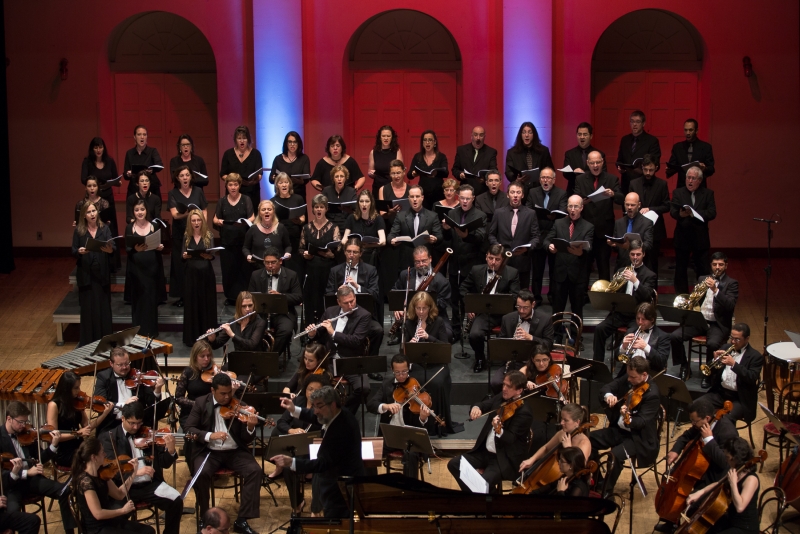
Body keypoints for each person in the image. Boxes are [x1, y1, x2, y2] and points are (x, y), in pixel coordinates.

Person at [271, 386, 366, 518]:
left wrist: (291, 462)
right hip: (338, 481)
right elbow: (316, 416)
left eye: (319, 406)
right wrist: (294, 409)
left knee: (337, 521)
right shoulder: (338, 413)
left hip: (342, 487)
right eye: (314, 406)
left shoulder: (341, 430)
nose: (315, 411)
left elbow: (323, 463)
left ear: (332, 404)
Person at [185, 373, 262, 534]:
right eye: (223, 393)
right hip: (209, 451)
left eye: (229, 392)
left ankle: (242, 520)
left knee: (254, 471)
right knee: (201, 474)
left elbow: (246, 439)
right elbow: (189, 428)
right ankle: (205, 517)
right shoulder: (200, 403)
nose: (227, 397)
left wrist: (250, 427)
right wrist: (209, 435)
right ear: (213, 390)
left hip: (234, 451)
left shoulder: (239, 405)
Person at [654, 399, 738, 533]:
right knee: (676, 487)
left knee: (691, 502)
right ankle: (671, 521)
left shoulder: (727, 432)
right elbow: (685, 436)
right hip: (697, 468)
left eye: (695, 421)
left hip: (714, 476)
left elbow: (725, 462)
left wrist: (709, 440)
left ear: (707, 418)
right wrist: (675, 450)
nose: (693, 424)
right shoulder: (702, 423)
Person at [99, 402, 183, 534]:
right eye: (132, 423)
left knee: (176, 501)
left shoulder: (148, 433)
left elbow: (164, 463)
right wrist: (136, 472)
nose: (136, 427)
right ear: (123, 418)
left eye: (139, 423)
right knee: (114, 518)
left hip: (150, 484)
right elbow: (111, 469)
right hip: (124, 487)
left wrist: (171, 451)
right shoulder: (109, 437)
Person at [447, 371, 533, 493]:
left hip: (503, 458)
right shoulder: (501, 397)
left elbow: (510, 438)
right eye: (504, 384)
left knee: (482, 483)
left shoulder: (524, 412)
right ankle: (476, 499)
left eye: (509, 387)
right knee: (454, 464)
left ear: (519, 391)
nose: (504, 389)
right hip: (484, 452)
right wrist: (476, 407)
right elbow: (484, 404)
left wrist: (499, 430)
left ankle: (486, 502)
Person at [590, 356, 660, 497]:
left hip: (639, 437)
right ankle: (597, 481)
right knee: (588, 440)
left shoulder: (653, 395)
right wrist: (608, 396)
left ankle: (606, 490)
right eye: (629, 375)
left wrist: (628, 418)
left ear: (644, 375)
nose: (629, 380)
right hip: (620, 430)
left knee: (616, 455)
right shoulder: (630, 376)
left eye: (633, 377)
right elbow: (608, 387)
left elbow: (641, 422)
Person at [2, 401, 75, 533]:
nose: (23, 426)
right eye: (20, 422)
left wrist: (53, 445)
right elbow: (1, 475)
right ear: (9, 419)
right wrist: (26, 473)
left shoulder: (26, 434)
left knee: (64, 491)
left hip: (32, 481)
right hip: (12, 487)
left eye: (25, 421)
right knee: (12, 517)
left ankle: (69, 531)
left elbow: (42, 457)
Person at [670, 252, 739, 383]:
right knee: (675, 336)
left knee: (712, 343)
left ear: (726, 266)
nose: (717, 267)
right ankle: (684, 365)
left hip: (717, 324)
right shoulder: (703, 279)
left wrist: (715, 290)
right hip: (699, 321)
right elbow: (694, 299)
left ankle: (709, 373)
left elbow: (730, 305)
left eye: (720, 264)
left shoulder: (732, 283)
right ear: (711, 265)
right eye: (714, 264)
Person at [303, 286, 374, 413]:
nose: (351, 305)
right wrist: (312, 333)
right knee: (314, 384)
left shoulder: (364, 315)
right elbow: (320, 333)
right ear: (339, 302)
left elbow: (356, 341)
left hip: (351, 360)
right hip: (329, 360)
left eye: (352, 301)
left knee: (364, 388)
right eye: (346, 303)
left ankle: (344, 411)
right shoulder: (330, 311)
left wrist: (333, 332)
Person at [174, 340, 239, 475]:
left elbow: (224, 397)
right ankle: (195, 469)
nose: (206, 359)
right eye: (202, 356)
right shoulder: (188, 373)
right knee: (191, 437)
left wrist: (232, 391)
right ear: (195, 357)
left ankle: (213, 463)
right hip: (191, 413)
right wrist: (198, 404)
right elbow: (178, 398)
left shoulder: (215, 373)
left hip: (212, 412)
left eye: (208, 356)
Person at [367, 353, 434, 477]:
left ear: (409, 368)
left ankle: (409, 488)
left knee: (411, 455)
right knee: (369, 452)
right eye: (397, 373)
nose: (401, 376)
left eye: (404, 371)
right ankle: (372, 485)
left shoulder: (416, 386)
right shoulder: (387, 385)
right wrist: (385, 406)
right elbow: (371, 404)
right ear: (392, 370)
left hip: (409, 438)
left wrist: (423, 418)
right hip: (390, 435)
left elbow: (424, 425)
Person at [71, 437, 154, 534]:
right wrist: (122, 511)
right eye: (102, 452)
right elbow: (98, 514)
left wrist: (134, 473)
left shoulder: (101, 473)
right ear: (94, 457)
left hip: (109, 521)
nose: (105, 455)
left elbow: (119, 494)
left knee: (149, 531)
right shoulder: (86, 481)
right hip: (96, 529)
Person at [591, 241, 656, 363]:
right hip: (619, 313)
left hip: (636, 317)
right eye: (632, 254)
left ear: (644, 254)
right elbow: (613, 291)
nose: (635, 257)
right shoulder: (621, 270)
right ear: (629, 254)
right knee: (600, 329)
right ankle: (597, 363)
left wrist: (635, 281)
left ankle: (626, 366)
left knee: (629, 336)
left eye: (638, 254)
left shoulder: (649, 274)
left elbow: (647, 296)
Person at [271, 374, 327, 515]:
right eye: (309, 389)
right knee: (287, 467)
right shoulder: (298, 401)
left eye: (316, 390)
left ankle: (316, 508)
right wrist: (291, 430)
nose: (312, 393)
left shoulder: (325, 407)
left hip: (317, 449)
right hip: (298, 447)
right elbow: (281, 422)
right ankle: (297, 503)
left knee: (321, 469)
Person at [461, 245, 521, 372]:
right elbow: (463, 289)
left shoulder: (512, 273)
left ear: (503, 259)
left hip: (505, 313)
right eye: (490, 258)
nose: (493, 262)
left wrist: (497, 299)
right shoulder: (476, 270)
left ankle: (510, 362)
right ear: (486, 257)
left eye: (497, 259)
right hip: (484, 314)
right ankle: (480, 358)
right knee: (474, 334)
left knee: (512, 334)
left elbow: (515, 297)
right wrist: (470, 306)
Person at [683, 438, 760, 534]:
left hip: (744, 528)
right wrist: (700, 493)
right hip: (729, 520)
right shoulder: (736, 470)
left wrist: (733, 484)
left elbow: (740, 507)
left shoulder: (751, 479)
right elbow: (719, 483)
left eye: (727, 457)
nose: (726, 460)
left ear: (735, 458)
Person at [696, 324, 763, 425]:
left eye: (737, 339)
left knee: (725, 420)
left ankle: (726, 439)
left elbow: (751, 377)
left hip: (739, 399)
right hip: (720, 393)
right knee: (695, 406)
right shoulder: (726, 347)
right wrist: (714, 360)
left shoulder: (755, 356)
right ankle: (703, 437)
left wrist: (734, 364)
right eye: (732, 338)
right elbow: (710, 372)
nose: (732, 342)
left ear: (747, 339)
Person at [442, 184, 487, 334]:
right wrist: (446, 230)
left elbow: (481, 237)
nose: (465, 201)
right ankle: (456, 329)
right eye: (462, 198)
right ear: (458, 197)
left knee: (470, 298)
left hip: (472, 263)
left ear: (473, 198)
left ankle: (472, 327)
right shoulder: (452, 214)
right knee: (454, 300)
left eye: (468, 198)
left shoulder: (480, 215)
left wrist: (466, 236)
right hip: (455, 262)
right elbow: (447, 239)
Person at [47, 371, 114, 469]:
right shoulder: (54, 405)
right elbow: (54, 436)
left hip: (80, 447)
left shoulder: (77, 402)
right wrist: (78, 433)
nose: (79, 391)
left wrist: (105, 414)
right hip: (64, 451)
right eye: (76, 388)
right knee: (94, 462)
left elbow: (88, 427)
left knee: (102, 455)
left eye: (79, 387)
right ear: (66, 388)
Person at [544, 195, 594, 326]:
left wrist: (582, 251)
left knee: (577, 309)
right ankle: (556, 336)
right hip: (560, 273)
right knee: (557, 308)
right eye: (570, 206)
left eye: (576, 207)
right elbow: (546, 240)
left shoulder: (588, 226)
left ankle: (576, 337)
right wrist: (550, 246)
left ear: (581, 208)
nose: (572, 210)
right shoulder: (559, 223)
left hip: (577, 275)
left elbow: (589, 246)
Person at [575, 151, 623, 282]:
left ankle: (605, 296)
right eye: (592, 163)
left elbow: (621, 199)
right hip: (586, 230)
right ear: (588, 164)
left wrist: (613, 194)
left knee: (604, 265)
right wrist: (581, 202)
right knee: (584, 266)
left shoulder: (612, 179)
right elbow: (575, 198)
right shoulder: (580, 179)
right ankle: (582, 296)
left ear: (602, 162)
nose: (595, 165)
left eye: (598, 162)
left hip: (604, 230)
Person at [389, 246, 452, 346]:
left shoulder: (442, 281)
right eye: (417, 262)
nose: (421, 265)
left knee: (447, 334)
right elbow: (395, 291)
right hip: (411, 317)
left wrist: (425, 304)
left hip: (434, 317)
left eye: (424, 261)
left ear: (430, 259)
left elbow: (443, 303)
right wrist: (398, 308)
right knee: (405, 334)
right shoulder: (406, 274)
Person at [93, 347, 166, 434]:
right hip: (113, 423)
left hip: (137, 425)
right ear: (111, 363)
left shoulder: (137, 376)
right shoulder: (103, 377)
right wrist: (124, 405)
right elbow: (99, 402)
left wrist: (157, 389)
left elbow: (152, 402)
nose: (124, 367)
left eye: (127, 363)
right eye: (120, 365)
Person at [491, 293, 555, 391]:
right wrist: (512, 343)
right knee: (496, 382)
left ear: (533, 304)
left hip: (534, 364)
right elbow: (501, 344)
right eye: (518, 307)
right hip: (513, 362)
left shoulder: (545, 319)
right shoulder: (507, 318)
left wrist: (530, 337)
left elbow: (549, 344)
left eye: (525, 308)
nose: (521, 311)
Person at [72, 202, 115, 346]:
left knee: (103, 308)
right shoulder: (79, 231)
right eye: (89, 212)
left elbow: (112, 247)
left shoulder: (105, 229)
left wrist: (109, 250)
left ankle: (105, 341)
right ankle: (88, 342)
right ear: (84, 215)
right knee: (88, 309)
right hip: (86, 275)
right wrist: (79, 251)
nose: (92, 214)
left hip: (101, 274)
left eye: (94, 211)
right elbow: (73, 250)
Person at [248, 247, 303, 357]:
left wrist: (281, 296)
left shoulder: (291, 275)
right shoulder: (256, 275)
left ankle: (271, 357)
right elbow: (249, 296)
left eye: (273, 262)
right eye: (267, 263)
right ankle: (258, 356)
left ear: (280, 261)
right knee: (252, 329)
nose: (270, 266)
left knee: (286, 330)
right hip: (261, 313)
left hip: (283, 313)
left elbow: (298, 297)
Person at [671, 166, 717, 295]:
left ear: (700, 180)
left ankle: (702, 296)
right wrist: (681, 215)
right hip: (682, 237)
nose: (690, 181)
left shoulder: (708, 193)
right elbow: (673, 212)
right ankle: (682, 297)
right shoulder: (678, 193)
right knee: (680, 270)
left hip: (700, 238)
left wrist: (694, 213)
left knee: (702, 269)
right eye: (688, 178)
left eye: (693, 178)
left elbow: (712, 213)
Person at [326, 237, 382, 341]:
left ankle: (370, 357)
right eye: (349, 251)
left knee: (378, 330)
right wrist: (337, 293)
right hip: (340, 313)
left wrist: (357, 287)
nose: (351, 255)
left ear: (361, 253)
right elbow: (328, 294)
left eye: (355, 252)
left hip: (362, 314)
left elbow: (375, 294)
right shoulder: (335, 270)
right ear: (344, 252)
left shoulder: (370, 270)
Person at [168, 165, 209, 308]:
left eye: (187, 175)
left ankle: (198, 294)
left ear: (191, 177)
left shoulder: (198, 191)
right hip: (181, 234)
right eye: (181, 176)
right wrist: (191, 213)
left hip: (197, 233)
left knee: (197, 264)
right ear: (177, 178)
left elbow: (204, 210)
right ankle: (182, 296)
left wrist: (202, 224)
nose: (185, 178)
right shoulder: (173, 193)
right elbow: (174, 214)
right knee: (180, 265)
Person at [488, 181, 540, 291]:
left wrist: (527, 248)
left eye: (518, 192)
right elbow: (491, 234)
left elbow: (536, 237)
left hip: (522, 259)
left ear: (523, 195)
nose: (515, 195)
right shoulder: (499, 213)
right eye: (512, 192)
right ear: (508, 195)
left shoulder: (531, 213)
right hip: (502, 260)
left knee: (522, 291)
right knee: (503, 292)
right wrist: (497, 246)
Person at [526, 167, 568, 305]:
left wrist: (553, 216)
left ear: (554, 180)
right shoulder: (532, 192)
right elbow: (528, 210)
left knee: (554, 269)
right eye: (543, 177)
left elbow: (562, 213)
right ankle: (536, 297)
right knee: (537, 270)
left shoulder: (561, 193)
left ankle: (552, 295)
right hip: (537, 234)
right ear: (539, 179)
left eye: (548, 178)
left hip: (553, 235)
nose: (545, 180)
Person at [125, 199, 166, 337]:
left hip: (151, 268)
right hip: (136, 270)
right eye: (136, 210)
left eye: (142, 209)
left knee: (150, 301)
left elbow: (159, 244)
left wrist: (159, 247)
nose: (140, 212)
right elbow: (127, 248)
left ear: (146, 210)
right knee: (138, 301)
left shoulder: (154, 225)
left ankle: (152, 331)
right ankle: (138, 332)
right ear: (133, 212)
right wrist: (135, 249)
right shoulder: (129, 227)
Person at [300, 194, 341, 325]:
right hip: (311, 269)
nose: (319, 210)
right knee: (310, 301)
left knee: (325, 301)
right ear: (312, 209)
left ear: (326, 209)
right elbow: (300, 248)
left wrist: (332, 254)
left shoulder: (334, 228)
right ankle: (310, 332)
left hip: (327, 270)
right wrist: (305, 254)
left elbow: (338, 250)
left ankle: (325, 331)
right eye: (316, 207)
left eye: (321, 207)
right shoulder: (306, 228)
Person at [214, 173, 254, 305]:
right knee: (228, 269)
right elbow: (215, 218)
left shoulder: (246, 199)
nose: (233, 187)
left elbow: (252, 217)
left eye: (235, 184)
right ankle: (231, 297)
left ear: (239, 185)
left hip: (242, 240)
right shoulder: (222, 201)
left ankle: (243, 298)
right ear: (226, 186)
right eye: (230, 184)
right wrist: (218, 221)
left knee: (243, 270)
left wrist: (245, 221)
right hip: (227, 241)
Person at [519, 403, 592, 476]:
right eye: (561, 419)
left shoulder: (584, 443)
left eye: (566, 420)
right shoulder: (562, 433)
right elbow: (546, 448)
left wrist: (568, 448)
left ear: (577, 422)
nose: (561, 423)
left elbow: (578, 469)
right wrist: (532, 459)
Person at [81, 137, 121, 270]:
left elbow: (116, 177)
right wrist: (96, 184)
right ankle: (94, 260)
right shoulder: (87, 162)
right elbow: (83, 179)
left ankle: (112, 263)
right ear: (92, 149)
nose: (98, 150)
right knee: (94, 227)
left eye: (101, 147)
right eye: (96, 147)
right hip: (93, 199)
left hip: (108, 198)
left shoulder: (109, 161)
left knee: (109, 227)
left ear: (104, 148)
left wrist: (116, 182)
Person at [629, 154, 670, 275]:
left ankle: (652, 292)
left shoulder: (662, 184)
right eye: (645, 169)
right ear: (642, 167)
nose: (648, 172)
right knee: (634, 262)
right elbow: (628, 204)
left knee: (652, 265)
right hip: (637, 228)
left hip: (655, 229)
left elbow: (667, 206)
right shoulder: (634, 183)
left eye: (651, 170)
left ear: (656, 168)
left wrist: (650, 209)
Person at [182, 209, 218, 345]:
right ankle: (192, 338)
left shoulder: (208, 235)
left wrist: (209, 256)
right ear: (190, 222)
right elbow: (182, 255)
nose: (196, 223)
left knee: (206, 305)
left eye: (198, 220)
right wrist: (185, 256)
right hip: (191, 276)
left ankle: (208, 337)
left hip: (206, 275)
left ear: (202, 221)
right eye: (193, 220)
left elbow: (212, 254)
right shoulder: (186, 236)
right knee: (192, 305)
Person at [388, 184, 443, 272]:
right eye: (412, 197)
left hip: (424, 261)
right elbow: (391, 235)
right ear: (408, 198)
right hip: (406, 261)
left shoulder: (432, 216)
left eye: (417, 196)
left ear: (422, 197)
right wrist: (392, 241)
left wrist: (435, 239)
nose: (414, 199)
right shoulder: (401, 216)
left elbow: (439, 236)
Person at [378, 159, 411, 298]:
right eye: (393, 173)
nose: (396, 176)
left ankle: (407, 294)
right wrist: (390, 213)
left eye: (399, 172)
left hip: (407, 231)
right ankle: (390, 297)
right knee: (389, 267)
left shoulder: (411, 189)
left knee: (406, 265)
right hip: (389, 229)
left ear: (404, 172)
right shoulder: (383, 189)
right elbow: (381, 214)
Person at [614, 303, 670, 376]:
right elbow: (616, 357)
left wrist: (646, 347)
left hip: (649, 375)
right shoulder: (630, 331)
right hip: (629, 373)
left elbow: (661, 362)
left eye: (643, 319)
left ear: (652, 319)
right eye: (638, 318)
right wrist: (623, 347)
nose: (640, 322)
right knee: (609, 387)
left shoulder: (663, 336)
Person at [504, 121, 554, 199]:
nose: (526, 135)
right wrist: (516, 180)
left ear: (534, 135)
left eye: (530, 132)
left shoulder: (543, 151)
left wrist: (543, 178)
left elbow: (550, 169)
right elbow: (508, 172)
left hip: (539, 190)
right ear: (520, 135)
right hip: (520, 191)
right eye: (524, 132)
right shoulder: (512, 152)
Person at [615, 110, 661, 193]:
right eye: (632, 121)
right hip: (626, 182)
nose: (634, 124)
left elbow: (655, 163)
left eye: (638, 122)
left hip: (644, 182)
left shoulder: (652, 141)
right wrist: (619, 167)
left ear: (643, 124)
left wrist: (642, 170)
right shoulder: (625, 140)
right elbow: (619, 159)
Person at [270, 172, 306, 278]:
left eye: (286, 182)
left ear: (290, 184)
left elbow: (303, 218)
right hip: (279, 237)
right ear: (277, 185)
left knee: (295, 266)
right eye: (281, 183)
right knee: (280, 265)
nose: (284, 185)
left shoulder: (298, 198)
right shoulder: (273, 201)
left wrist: (298, 220)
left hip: (294, 235)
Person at [243, 199, 292, 274]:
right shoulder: (253, 229)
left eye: (269, 209)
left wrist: (287, 253)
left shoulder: (281, 228)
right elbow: (245, 247)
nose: (266, 211)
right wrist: (248, 255)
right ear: (259, 213)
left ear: (273, 212)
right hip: (257, 268)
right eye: (263, 209)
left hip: (277, 268)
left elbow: (288, 246)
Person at [220, 125, 264, 208]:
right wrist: (233, 181)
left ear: (248, 139)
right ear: (235, 140)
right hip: (233, 192)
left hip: (251, 192)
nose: (242, 141)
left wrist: (252, 181)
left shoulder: (256, 154)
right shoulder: (228, 154)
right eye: (239, 138)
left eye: (244, 138)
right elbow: (223, 174)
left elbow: (260, 174)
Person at [666, 118, 715, 189]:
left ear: (696, 131)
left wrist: (704, 168)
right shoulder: (678, 147)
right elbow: (672, 166)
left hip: (699, 187)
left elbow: (711, 169)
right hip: (682, 187)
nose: (688, 133)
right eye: (685, 130)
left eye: (690, 130)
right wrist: (669, 169)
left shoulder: (706, 147)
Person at [342, 189, 386, 267]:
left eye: (367, 201)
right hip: (355, 254)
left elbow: (383, 241)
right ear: (358, 203)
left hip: (371, 255)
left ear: (371, 203)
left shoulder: (378, 218)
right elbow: (344, 240)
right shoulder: (352, 218)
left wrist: (368, 245)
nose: (364, 204)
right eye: (361, 201)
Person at [609, 192, 654, 269]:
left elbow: (648, 244)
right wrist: (614, 244)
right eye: (627, 204)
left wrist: (632, 247)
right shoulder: (619, 222)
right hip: (621, 265)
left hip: (640, 265)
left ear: (639, 205)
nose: (629, 207)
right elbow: (617, 247)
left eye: (632, 205)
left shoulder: (647, 223)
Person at [407, 129, 449, 209]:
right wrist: (413, 173)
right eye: (425, 140)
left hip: (438, 193)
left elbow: (446, 173)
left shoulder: (441, 157)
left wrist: (436, 173)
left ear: (435, 142)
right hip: (423, 194)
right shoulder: (417, 157)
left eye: (430, 140)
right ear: (422, 143)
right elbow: (409, 175)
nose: (427, 142)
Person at [562, 122, 606, 196]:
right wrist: (574, 173)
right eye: (579, 134)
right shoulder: (569, 154)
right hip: (574, 191)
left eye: (585, 134)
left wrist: (584, 174)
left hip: (593, 192)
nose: (582, 137)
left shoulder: (599, 154)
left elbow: (603, 173)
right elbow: (565, 174)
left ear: (591, 136)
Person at [451, 126, 498, 196]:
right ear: (471, 136)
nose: (478, 138)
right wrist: (460, 174)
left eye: (481, 135)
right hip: (465, 192)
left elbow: (493, 171)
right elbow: (455, 169)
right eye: (475, 135)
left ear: (484, 137)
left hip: (483, 193)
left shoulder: (491, 152)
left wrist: (485, 179)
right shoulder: (461, 150)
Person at [124, 124, 164, 198]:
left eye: (144, 134)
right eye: (139, 134)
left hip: (151, 188)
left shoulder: (152, 151)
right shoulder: (129, 153)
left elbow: (160, 165)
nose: (142, 137)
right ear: (134, 137)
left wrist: (151, 170)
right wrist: (128, 174)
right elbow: (125, 175)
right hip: (134, 188)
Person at [268, 131, 311, 198]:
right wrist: (275, 178)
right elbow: (271, 179)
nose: (292, 144)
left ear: (299, 144)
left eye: (295, 142)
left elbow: (306, 179)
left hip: (298, 195)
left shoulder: (304, 158)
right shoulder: (278, 159)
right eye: (290, 142)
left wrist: (297, 181)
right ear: (286, 143)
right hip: (281, 196)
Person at [368, 125, 403, 198]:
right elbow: (370, 172)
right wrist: (371, 174)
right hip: (378, 186)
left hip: (393, 186)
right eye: (383, 136)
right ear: (380, 137)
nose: (386, 138)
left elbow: (400, 172)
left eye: (388, 136)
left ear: (392, 138)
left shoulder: (396, 151)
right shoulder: (373, 152)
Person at [321, 165, 358, 233]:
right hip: (329, 223)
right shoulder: (326, 191)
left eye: (342, 176)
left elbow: (356, 210)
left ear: (345, 178)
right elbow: (320, 208)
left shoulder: (351, 191)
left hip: (346, 224)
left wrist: (349, 210)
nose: (339, 179)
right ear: (333, 178)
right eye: (336, 176)